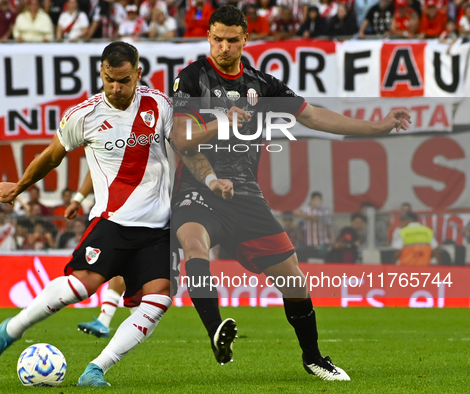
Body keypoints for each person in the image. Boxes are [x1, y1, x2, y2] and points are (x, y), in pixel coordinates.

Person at [170, 5, 410, 380]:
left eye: (232, 40)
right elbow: (180, 138)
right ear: (209, 38)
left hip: (246, 195)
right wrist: (220, 123)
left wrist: (376, 128)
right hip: (200, 187)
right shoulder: (191, 78)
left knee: (294, 279)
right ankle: (216, 330)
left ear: (246, 40)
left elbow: (314, 115)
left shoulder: (262, 84)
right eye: (217, 39)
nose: (224, 47)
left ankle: (313, 358)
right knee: (195, 245)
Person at [0, 42, 176, 387]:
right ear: (101, 74)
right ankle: (12, 329)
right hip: (112, 222)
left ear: (138, 74)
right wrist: (19, 187)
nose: (116, 88)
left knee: (158, 299)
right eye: (109, 80)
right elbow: (52, 157)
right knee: (84, 286)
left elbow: (182, 145)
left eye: (124, 81)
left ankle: (96, 369)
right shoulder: (84, 116)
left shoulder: (160, 106)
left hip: (158, 227)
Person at [295, 191, 334, 259]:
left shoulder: (324, 211)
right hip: (309, 242)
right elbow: (296, 212)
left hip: (323, 242)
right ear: (312, 200)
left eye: (318, 200)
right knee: (309, 261)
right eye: (315, 200)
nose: (317, 202)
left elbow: (329, 226)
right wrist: (309, 216)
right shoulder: (307, 209)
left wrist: (332, 238)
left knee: (322, 261)